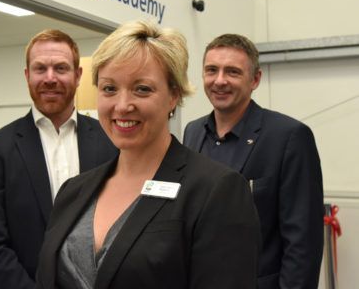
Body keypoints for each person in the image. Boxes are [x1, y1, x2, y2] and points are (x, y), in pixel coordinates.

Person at [35, 21, 260, 289]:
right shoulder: (73, 191)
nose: (122, 105)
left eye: (142, 89)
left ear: (173, 95)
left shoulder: (215, 191)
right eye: (109, 88)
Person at [0, 29, 118, 289]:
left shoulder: (110, 143)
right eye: (40, 69)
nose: (50, 78)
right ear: (27, 75)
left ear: (78, 74)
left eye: (60, 68)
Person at [183, 33, 324, 289]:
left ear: (255, 79)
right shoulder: (193, 132)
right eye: (211, 70)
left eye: (233, 72)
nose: (220, 81)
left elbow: (303, 242)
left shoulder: (289, 137)